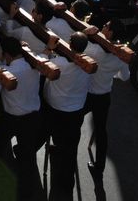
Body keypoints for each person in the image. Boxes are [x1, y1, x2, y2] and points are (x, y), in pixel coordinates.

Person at [43, 32, 91, 201]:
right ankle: (66, 182)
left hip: (56, 109)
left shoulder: (58, 63)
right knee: (70, 148)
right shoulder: (88, 65)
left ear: (70, 45)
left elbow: (43, 63)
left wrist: (49, 49)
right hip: (75, 111)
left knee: (55, 136)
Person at [84, 19, 130, 180]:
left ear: (109, 33)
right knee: (101, 131)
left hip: (87, 94)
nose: (103, 26)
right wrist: (113, 72)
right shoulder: (120, 56)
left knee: (72, 121)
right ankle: (99, 168)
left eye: (106, 26)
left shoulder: (95, 49)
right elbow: (125, 77)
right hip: (103, 96)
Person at [0, 36, 42, 201]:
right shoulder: (35, 66)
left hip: (10, 118)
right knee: (28, 159)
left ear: (7, 55)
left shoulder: (6, 71)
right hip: (32, 118)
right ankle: (25, 194)